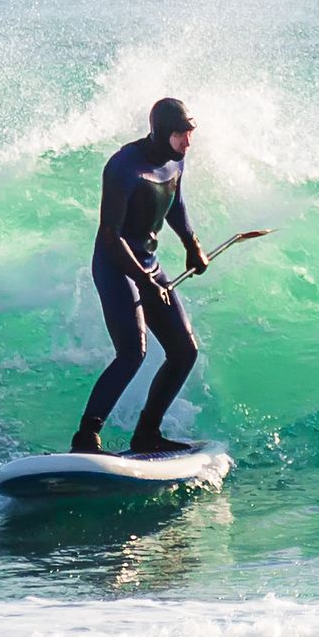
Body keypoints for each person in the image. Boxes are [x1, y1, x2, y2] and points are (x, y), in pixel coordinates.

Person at [72, 96, 208, 455]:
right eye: (182, 135)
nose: (188, 142)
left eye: (191, 134)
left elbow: (174, 201)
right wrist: (145, 282)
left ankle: (147, 433)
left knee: (184, 351)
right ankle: (86, 438)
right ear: (163, 133)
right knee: (132, 352)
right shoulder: (123, 167)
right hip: (116, 265)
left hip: (148, 264)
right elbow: (110, 236)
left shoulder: (175, 160)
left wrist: (191, 244)